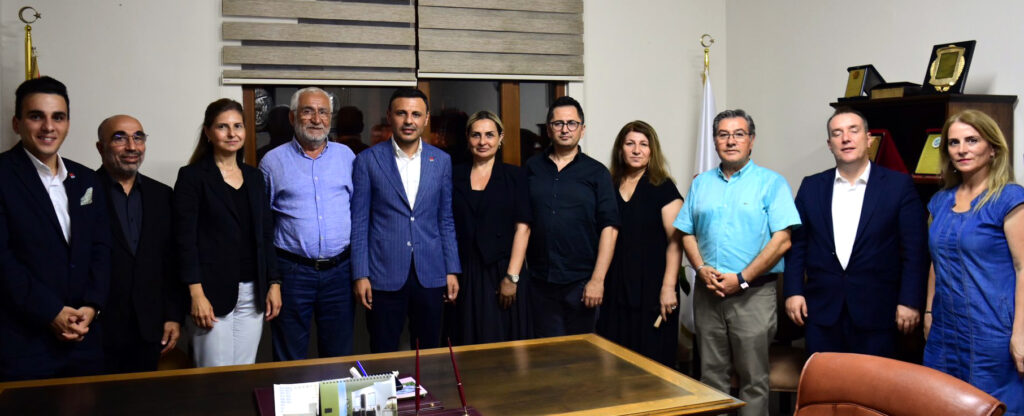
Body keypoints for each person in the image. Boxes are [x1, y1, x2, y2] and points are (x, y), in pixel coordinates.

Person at [674, 109, 800, 416]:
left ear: (751, 140)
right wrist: (701, 268)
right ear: (715, 141)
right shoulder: (701, 184)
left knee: (753, 380)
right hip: (708, 293)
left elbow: (782, 240)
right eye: (723, 135)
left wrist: (742, 278)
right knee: (710, 376)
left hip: (753, 295)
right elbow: (686, 232)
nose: (731, 141)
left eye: (739, 134)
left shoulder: (772, 183)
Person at [783, 108, 928, 357]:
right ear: (830, 144)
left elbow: (915, 251)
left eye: (853, 131)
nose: (846, 139)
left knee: (873, 382)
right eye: (837, 133)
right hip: (822, 312)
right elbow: (797, 246)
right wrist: (793, 291)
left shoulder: (898, 186)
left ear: (869, 139)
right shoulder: (811, 186)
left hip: (879, 313)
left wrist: (910, 300)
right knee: (825, 380)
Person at [0, 76, 111, 380]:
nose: (48, 127)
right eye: (36, 116)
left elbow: (101, 248)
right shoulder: (3, 175)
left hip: (84, 336)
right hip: (24, 342)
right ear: (16, 123)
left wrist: (92, 306)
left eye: (58, 117)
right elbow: (3, 261)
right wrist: (51, 312)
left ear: (68, 124)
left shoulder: (86, 179)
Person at [923, 109, 1024, 414]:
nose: (962, 149)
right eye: (954, 143)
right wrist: (928, 312)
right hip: (944, 332)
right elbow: (936, 261)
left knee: (994, 407)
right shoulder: (941, 201)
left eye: (972, 140)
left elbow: (1023, 268)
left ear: (992, 148)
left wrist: (1021, 333)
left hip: (993, 332)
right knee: (940, 405)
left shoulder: (1010, 198)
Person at [351, 88, 460, 353]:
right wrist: (360, 274)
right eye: (402, 113)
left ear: (426, 119)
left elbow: (445, 219)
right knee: (383, 352)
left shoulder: (441, 161)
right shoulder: (367, 160)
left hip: (431, 272)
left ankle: (425, 385)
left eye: (416, 114)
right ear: (390, 116)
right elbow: (360, 222)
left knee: (429, 352)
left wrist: (451, 269)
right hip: (383, 273)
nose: (409, 121)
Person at [174, 98, 281, 367]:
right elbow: (184, 241)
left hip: (252, 293)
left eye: (237, 126)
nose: (232, 133)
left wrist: (274, 283)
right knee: (214, 375)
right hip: (210, 293)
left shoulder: (254, 177)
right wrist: (196, 294)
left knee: (244, 371)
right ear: (208, 133)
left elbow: (265, 235)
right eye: (223, 127)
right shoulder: (192, 177)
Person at [261, 87, 357, 360]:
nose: (316, 119)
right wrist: (272, 280)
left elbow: (358, 214)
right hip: (292, 273)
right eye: (308, 111)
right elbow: (263, 225)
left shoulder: (347, 157)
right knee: (290, 357)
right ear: (293, 118)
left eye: (323, 112)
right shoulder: (272, 162)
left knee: (338, 356)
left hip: (340, 272)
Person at [95, 114, 185, 373]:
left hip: (151, 325)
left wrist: (173, 315)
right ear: (101, 147)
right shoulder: (83, 192)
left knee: (145, 394)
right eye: (119, 138)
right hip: (99, 326)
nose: (132, 146)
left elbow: (172, 261)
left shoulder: (162, 195)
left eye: (138, 138)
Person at [524, 96, 619, 337]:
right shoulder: (531, 168)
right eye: (558, 123)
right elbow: (522, 223)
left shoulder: (597, 173)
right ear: (548, 129)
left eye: (572, 123)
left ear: (582, 129)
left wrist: (597, 280)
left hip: (582, 283)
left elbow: (609, 229)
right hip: (539, 282)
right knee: (545, 352)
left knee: (581, 353)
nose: (565, 129)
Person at [596, 120, 682, 367]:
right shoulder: (609, 185)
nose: (636, 150)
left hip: (653, 288)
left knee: (652, 363)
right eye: (630, 144)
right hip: (615, 287)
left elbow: (676, 242)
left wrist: (669, 287)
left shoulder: (664, 187)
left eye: (643, 144)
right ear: (620, 149)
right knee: (613, 361)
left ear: (652, 151)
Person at [449, 111, 532, 344]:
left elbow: (523, 229)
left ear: (500, 137)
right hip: (464, 272)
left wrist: (512, 278)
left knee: (504, 344)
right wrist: (450, 271)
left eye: (489, 135)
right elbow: (445, 225)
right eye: (476, 135)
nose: (482, 141)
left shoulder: (515, 176)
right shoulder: (454, 175)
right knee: (466, 340)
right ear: (467, 138)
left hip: (502, 271)